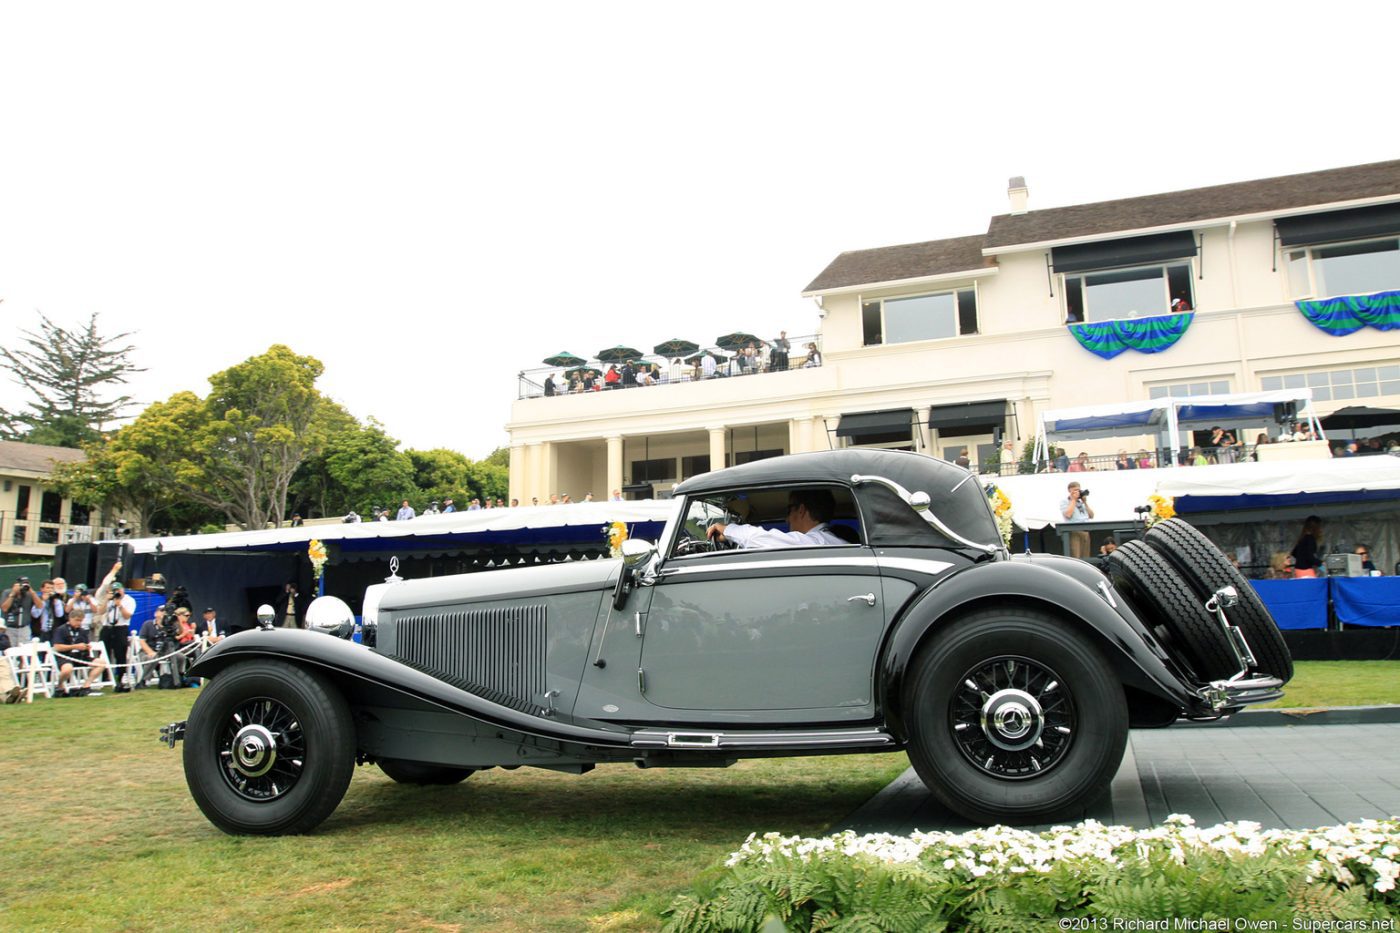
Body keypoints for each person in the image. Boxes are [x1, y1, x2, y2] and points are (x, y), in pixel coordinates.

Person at [705, 489, 845, 549]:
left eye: (788, 510)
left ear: (801, 510)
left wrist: (728, 528)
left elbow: (765, 540)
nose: (787, 520)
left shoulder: (817, 542)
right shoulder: (830, 541)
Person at [92, 563, 136, 692]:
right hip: (107, 627)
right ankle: (104, 677)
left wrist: (120, 605)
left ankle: (121, 677)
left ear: (123, 590)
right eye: (115, 590)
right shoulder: (108, 598)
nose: (117, 593)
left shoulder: (129, 600)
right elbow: (100, 611)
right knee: (104, 652)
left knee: (120, 653)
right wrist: (107, 600)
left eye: (119, 590)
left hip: (120, 628)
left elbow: (128, 616)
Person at [50, 612, 107, 696]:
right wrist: (74, 646)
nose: (79, 623)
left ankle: (86, 686)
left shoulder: (82, 631)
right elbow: (57, 647)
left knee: (101, 663)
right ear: (70, 619)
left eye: (81, 621)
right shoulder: (61, 630)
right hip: (65, 656)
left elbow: (85, 644)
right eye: (77, 620)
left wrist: (86, 647)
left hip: (80, 656)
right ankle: (60, 686)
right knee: (67, 669)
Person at [1060, 481, 1094, 559]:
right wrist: (1074, 500)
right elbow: (1068, 514)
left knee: (1086, 557)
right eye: (1075, 490)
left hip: (1085, 531)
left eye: (1078, 490)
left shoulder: (1081, 501)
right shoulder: (1065, 501)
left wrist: (1085, 502)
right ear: (1069, 491)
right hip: (1074, 531)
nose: (1077, 492)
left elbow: (1091, 515)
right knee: (1076, 557)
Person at [3, 577, 40, 648]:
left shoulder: (29, 594)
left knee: (24, 651)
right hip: (10, 627)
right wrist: (13, 594)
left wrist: (32, 592)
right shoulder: (7, 592)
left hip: (24, 628)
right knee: (10, 650)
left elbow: (39, 606)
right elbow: (4, 608)